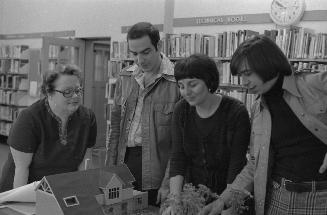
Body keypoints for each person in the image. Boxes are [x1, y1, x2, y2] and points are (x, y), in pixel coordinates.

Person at [201, 35, 327, 215]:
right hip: (277, 197)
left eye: (248, 74)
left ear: (267, 64)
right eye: (240, 76)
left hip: (321, 197)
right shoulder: (258, 109)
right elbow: (255, 165)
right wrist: (223, 200)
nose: (243, 83)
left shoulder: (312, 84)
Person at [162, 54, 251, 214]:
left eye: (193, 84)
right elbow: (178, 158)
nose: (186, 92)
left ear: (209, 81)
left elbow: (236, 166)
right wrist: (174, 201)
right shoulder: (181, 110)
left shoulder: (236, 112)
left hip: (229, 196)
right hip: (193, 196)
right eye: (181, 86)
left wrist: (223, 204)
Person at [105, 22, 180, 206]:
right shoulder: (125, 77)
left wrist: (169, 183)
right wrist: (108, 172)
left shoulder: (177, 82)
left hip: (158, 170)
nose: (139, 60)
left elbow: (180, 143)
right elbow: (115, 130)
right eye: (134, 53)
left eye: (145, 52)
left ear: (159, 47)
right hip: (124, 163)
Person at [0, 64, 97, 192]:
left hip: (60, 188)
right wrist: (21, 205)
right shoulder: (29, 118)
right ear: (49, 92)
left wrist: (84, 193)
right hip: (25, 189)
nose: (75, 96)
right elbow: (21, 169)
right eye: (67, 92)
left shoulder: (88, 117)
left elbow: (85, 162)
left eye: (78, 90)